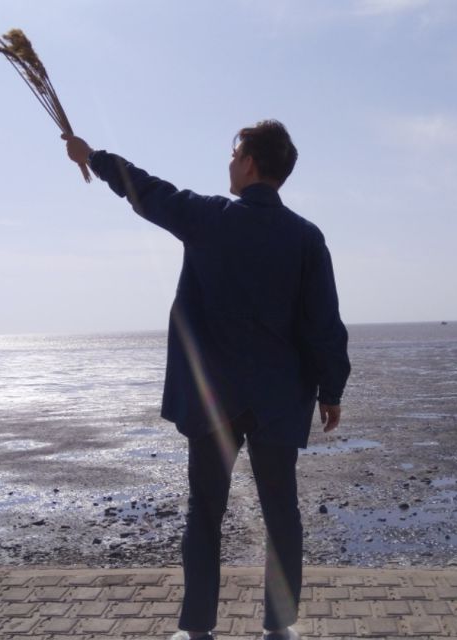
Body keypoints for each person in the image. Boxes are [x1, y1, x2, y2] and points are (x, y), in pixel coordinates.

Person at [62, 120, 350, 640]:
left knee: (205, 512)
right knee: (281, 513)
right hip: (279, 398)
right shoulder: (306, 237)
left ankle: (197, 629)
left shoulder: (210, 218)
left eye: (235, 154)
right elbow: (323, 322)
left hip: (215, 397)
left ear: (250, 163)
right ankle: (279, 627)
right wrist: (331, 390)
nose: (230, 162)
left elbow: (146, 190)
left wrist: (94, 157)